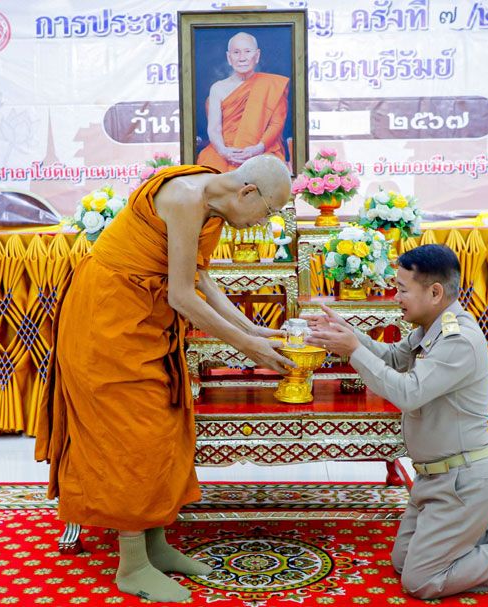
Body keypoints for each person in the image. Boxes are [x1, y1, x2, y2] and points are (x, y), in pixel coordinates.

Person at [35, 155, 295, 603]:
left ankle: (156, 545)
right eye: (268, 213)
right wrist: (245, 347)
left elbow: (200, 279)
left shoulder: (214, 198)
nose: (263, 223)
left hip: (145, 315)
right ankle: (132, 565)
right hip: (107, 315)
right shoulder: (186, 196)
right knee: (131, 433)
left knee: (164, 425)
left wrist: (254, 330)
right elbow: (181, 295)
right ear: (247, 193)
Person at [305, 244, 488, 599]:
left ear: (435, 292)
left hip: (464, 482)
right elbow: (393, 357)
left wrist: (353, 351)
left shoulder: (458, 339)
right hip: (434, 479)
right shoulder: (430, 328)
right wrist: (350, 334)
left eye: (403, 289)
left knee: (421, 581)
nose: (396, 297)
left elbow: (407, 392)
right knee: (404, 561)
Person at [196, 32, 289, 172]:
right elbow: (214, 128)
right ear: (229, 57)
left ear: (257, 56)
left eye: (247, 52)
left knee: (267, 174)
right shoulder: (218, 88)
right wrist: (223, 151)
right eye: (236, 52)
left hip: (261, 148)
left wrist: (257, 149)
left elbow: (276, 124)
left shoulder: (272, 85)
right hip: (224, 149)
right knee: (211, 172)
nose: (242, 58)